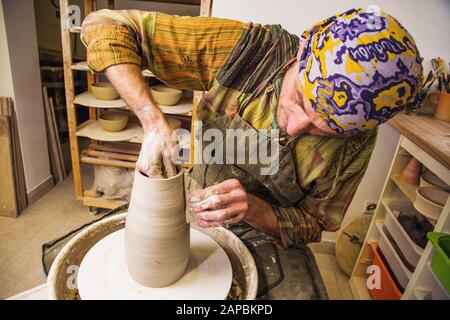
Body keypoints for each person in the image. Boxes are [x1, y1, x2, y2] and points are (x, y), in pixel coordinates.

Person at [81, 7, 423, 247]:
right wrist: (151, 119)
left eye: (325, 130)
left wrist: (258, 210)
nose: (298, 126)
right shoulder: (250, 51)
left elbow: (315, 224)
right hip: (197, 204)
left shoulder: (357, 142)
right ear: (303, 50)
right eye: (302, 101)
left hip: (269, 237)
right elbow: (105, 25)